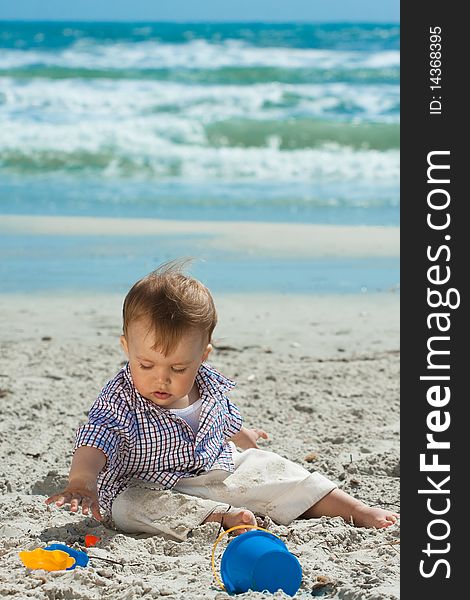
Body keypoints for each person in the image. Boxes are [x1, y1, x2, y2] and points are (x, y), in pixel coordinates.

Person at [46, 261, 399, 541]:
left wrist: (249, 444)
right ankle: (219, 518)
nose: (161, 378)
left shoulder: (209, 386)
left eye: (178, 367)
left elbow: (229, 426)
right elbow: (95, 439)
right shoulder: (121, 398)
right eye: (146, 364)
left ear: (203, 356)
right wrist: (81, 481)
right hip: (142, 483)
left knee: (274, 468)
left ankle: (355, 509)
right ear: (126, 349)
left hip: (211, 472)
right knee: (128, 507)